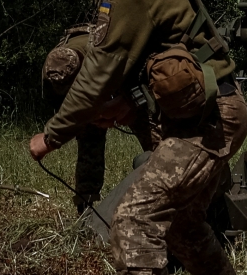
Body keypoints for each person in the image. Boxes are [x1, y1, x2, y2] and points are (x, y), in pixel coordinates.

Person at [29, 0, 247, 275]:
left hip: (209, 119)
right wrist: (126, 106)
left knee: (132, 221)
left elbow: (100, 71)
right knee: (182, 227)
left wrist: (51, 136)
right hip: (204, 115)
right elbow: (152, 62)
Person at [41, 26, 159, 214]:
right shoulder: (54, 67)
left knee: (157, 143)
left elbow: (141, 78)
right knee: (89, 140)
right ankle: (85, 207)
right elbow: (61, 106)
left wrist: (124, 104)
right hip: (96, 86)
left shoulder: (107, 52)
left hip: (130, 81)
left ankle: (172, 194)